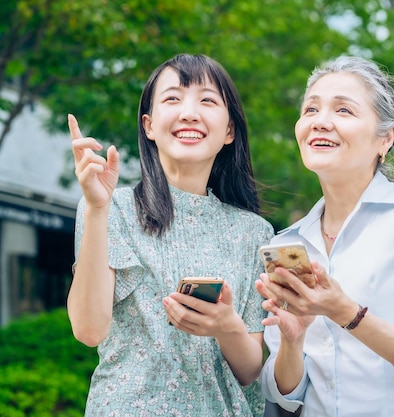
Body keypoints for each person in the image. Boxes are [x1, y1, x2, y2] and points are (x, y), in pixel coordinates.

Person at [255, 56, 394, 417]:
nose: (320, 122)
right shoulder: (286, 245)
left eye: (343, 110)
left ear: (385, 138)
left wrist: (344, 311)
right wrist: (292, 344)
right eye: (311, 109)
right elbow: (286, 395)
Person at [67, 53, 274, 416]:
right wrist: (97, 209)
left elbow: (250, 371)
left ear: (229, 130)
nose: (189, 112)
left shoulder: (253, 232)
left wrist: (226, 326)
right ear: (149, 125)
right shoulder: (107, 206)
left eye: (208, 100)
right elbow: (88, 330)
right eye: (173, 98)